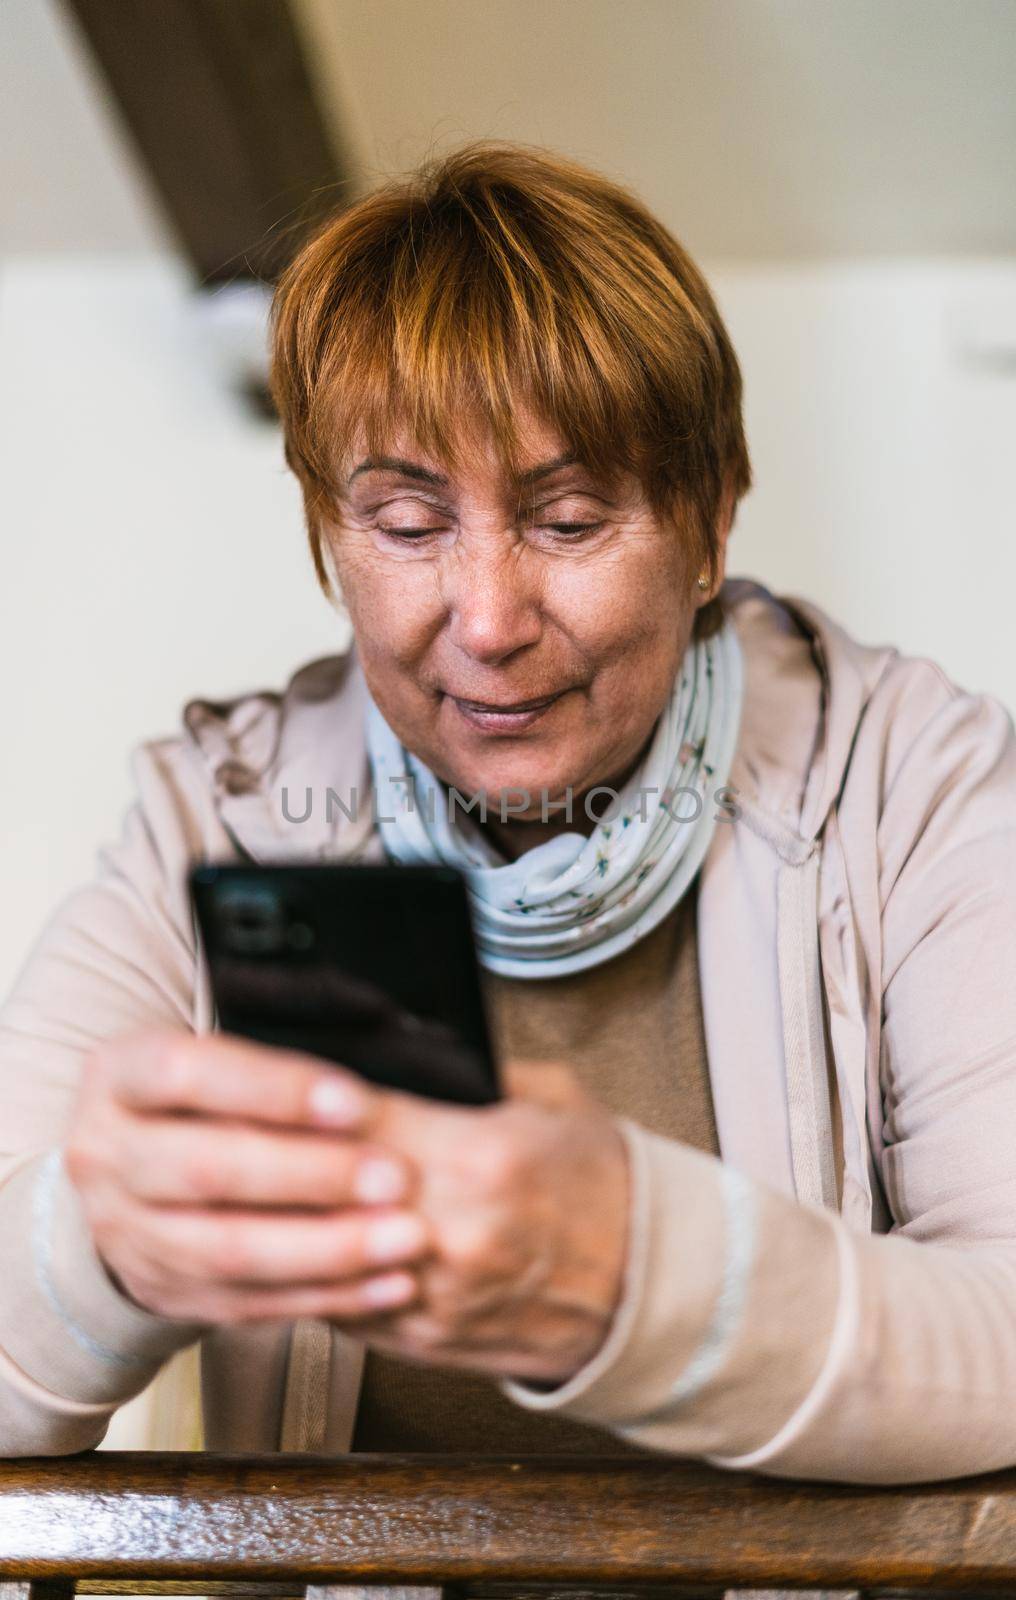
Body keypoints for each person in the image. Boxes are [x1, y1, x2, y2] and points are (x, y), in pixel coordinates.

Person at [2, 141, 1016, 1483]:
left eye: (572, 519)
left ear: (710, 522)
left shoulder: (911, 779)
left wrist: (629, 1267)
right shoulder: (219, 821)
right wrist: (102, 1241)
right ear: (328, 535)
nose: (486, 622)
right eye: (408, 524)